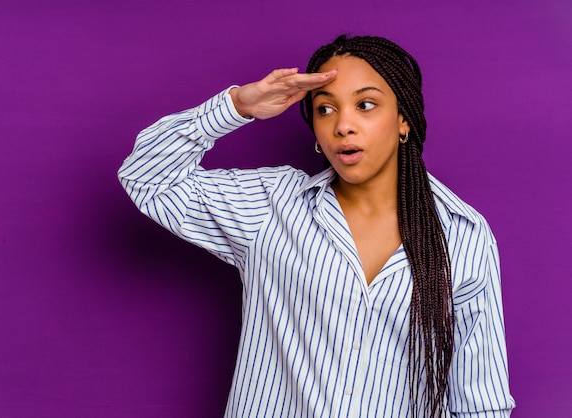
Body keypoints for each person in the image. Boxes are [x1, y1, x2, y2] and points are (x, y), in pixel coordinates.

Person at [118, 35, 515, 417]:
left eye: (365, 105)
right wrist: (238, 104)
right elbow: (147, 178)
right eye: (326, 109)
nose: (343, 125)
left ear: (403, 121)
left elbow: (481, 398)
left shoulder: (462, 233)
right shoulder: (271, 207)